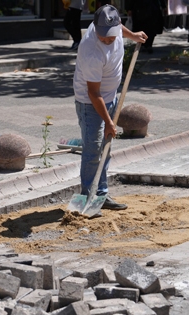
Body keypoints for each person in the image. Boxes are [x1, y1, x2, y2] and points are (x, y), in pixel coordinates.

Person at [73, 5, 147, 217]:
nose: (106, 40)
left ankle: (101, 195)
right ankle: (88, 198)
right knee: (93, 150)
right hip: (90, 103)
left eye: (111, 36)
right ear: (95, 28)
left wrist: (132, 36)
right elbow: (93, 93)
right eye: (102, 36)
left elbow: (120, 27)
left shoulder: (113, 28)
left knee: (105, 149)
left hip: (110, 97)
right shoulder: (91, 51)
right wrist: (108, 121)